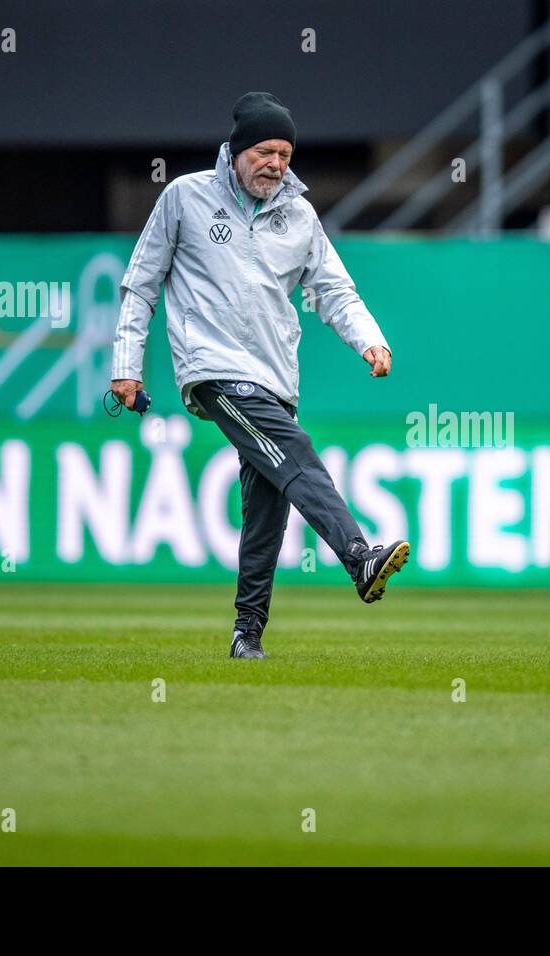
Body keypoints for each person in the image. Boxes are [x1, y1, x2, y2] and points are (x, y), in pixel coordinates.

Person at [109, 91, 409, 660]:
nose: (276, 163)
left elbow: (333, 290)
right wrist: (126, 367)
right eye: (266, 150)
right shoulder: (185, 197)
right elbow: (140, 284)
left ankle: (247, 635)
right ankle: (359, 556)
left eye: (287, 153)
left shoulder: (299, 215)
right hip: (214, 369)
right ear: (237, 149)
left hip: (276, 376)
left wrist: (370, 339)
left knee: (266, 512)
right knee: (295, 451)